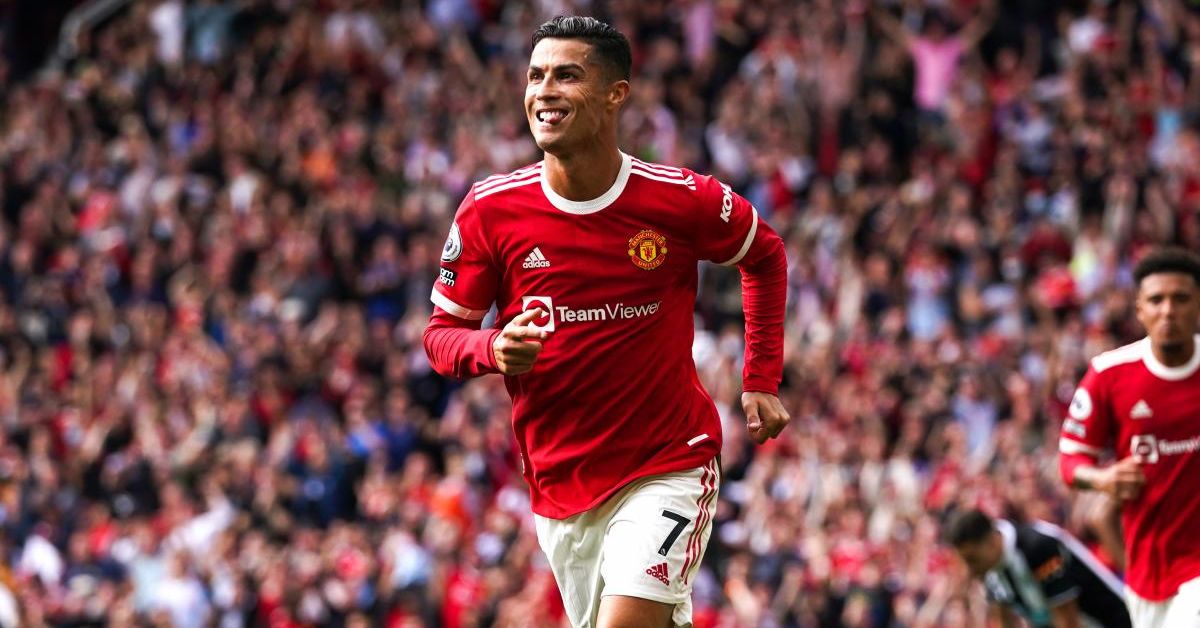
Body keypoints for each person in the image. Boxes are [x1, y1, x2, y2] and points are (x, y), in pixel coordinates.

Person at [421, 15, 789, 628]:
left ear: (616, 94)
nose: (544, 91)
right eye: (536, 76)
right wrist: (493, 348)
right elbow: (440, 337)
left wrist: (761, 377)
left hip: (669, 464)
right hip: (560, 485)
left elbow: (765, 254)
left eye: (567, 75)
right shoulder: (491, 209)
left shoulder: (679, 199)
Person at [1058, 246, 1200, 627]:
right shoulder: (1109, 374)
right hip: (1147, 576)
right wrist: (1102, 478)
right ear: (1139, 309)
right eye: (1156, 300)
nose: (1168, 310)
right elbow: (1070, 460)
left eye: (1181, 299)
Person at [945, 509, 1131, 628]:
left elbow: (1068, 621)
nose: (970, 570)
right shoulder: (990, 568)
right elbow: (1003, 620)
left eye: (972, 560)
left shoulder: (1036, 547)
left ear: (991, 542)